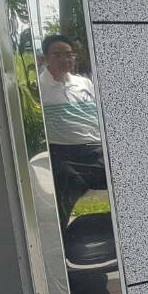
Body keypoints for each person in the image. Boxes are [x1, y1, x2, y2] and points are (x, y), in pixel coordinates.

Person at [38, 33, 105, 225]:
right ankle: (60, 240)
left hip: (95, 149)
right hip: (63, 153)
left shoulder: (84, 83)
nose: (64, 59)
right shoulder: (39, 87)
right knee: (64, 187)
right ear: (45, 58)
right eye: (57, 55)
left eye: (68, 54)